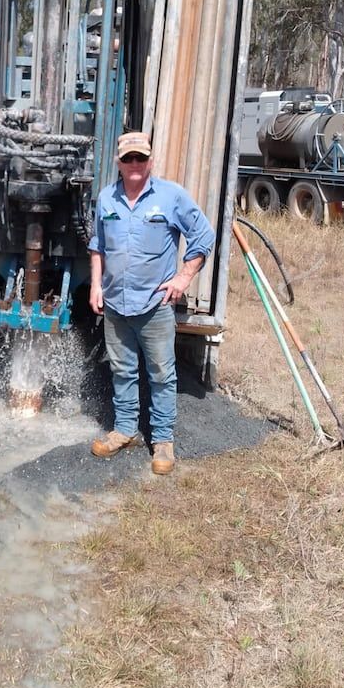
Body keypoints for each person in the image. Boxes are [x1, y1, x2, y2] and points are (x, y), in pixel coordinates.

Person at [87, 131, 215, 474]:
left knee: (161, 374)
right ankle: (125, 430)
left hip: (154, 305)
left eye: (140, 158)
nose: (134, 165)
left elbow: (203, 236)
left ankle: (162, 441)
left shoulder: (171, 197)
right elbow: (98, 245)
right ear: (118, 162)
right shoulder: (106, 199)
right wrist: (96, 286)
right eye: (127, 159)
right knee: (122, 370)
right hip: (115, 303)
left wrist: (184, 278)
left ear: (150, 161)